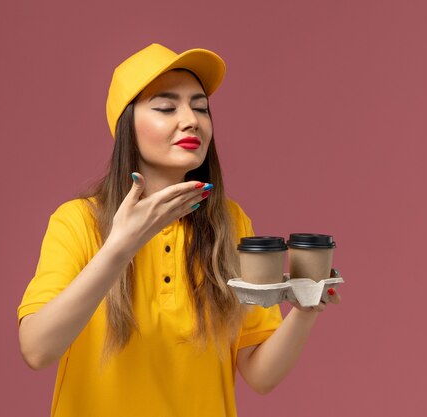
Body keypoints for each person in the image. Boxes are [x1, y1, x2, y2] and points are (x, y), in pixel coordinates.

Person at [17, 43, 341, 417]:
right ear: (127, 125)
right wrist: (120, 247)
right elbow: (37, 350)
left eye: (200, 107)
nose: (191, 120)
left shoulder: (230, 223)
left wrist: (304, 308)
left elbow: (259, 373)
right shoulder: (78, 222)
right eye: (166, 107)